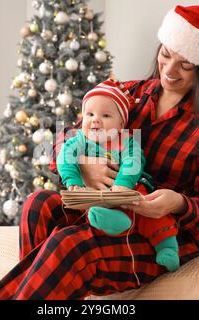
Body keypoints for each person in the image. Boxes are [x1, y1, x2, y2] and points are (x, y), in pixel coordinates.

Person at [0, 5, 199, 300]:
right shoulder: (128, 95)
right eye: (165, 54)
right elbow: (60, 141)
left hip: (165, 233)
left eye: (185, 65)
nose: (170, 70)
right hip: (104, 204)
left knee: (71, 244)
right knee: (38, 204)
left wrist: (177, 204)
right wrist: (84, 165)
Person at [56, 78, 180, 271]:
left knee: (150, 212)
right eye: (89, 114)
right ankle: (113, 221)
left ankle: (167, 248)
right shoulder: (80, 139)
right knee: (89, 204)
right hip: (95, 191)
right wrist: (73, 180)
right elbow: (65, 157)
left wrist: (123, 183)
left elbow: (134, 161)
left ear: (121, 123)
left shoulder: (126, 141)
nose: (95, 120)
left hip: (128, 188)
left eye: (105, 115)